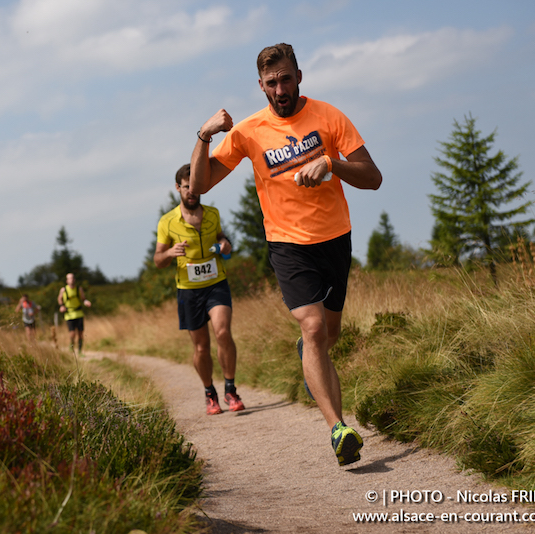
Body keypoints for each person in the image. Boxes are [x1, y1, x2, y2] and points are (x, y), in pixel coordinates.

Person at [190, 43, 382, 465]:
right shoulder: (249, 131)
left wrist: (331, 164)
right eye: (271, 82)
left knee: (326, 338)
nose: (280, 88)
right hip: (287, 244)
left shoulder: (329, 117)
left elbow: (373, 177)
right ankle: (338, 428)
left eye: (286, 78)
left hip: (335, 239)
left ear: (299, 76)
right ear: (261, 86)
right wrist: (204, 135)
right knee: (313, 329)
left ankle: (312, 359)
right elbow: (199, 186)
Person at [154, 163, 245, 416]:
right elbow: (158, 260)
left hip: (216, 284)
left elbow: (222, 240)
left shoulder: (213, 213)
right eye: (187, 188)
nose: (192, 192)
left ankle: (230, 389)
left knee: (223, 332)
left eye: (195, 187)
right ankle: (210, 393)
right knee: (201, 347)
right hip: (189, 291)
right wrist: (170, 252)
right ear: (178, 188)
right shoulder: (168, 222)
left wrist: (225, 245)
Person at [57, 273, 91, 354]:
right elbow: (59, 299)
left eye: (72, 278)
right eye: (69, 278)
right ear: (67, 280)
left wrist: (86, 302)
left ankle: (80, 351)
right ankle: (71, 346)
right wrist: (62, 306)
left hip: (79, 313)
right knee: (72, 334)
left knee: (80, 333)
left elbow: (83, 298)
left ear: (74, 279)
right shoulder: (63, 290)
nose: (71, 280)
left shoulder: (79, 289)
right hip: (69, 315)